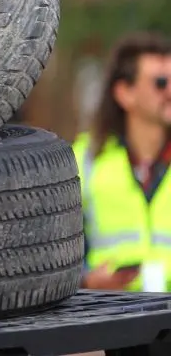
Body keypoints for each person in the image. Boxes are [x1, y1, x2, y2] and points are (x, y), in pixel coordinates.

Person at [74, 32, 171, 290]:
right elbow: (46, 244)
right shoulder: (85, 158)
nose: (170, 91)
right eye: (161, 82)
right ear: (125, 93)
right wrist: (84, 281)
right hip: (112, 318)